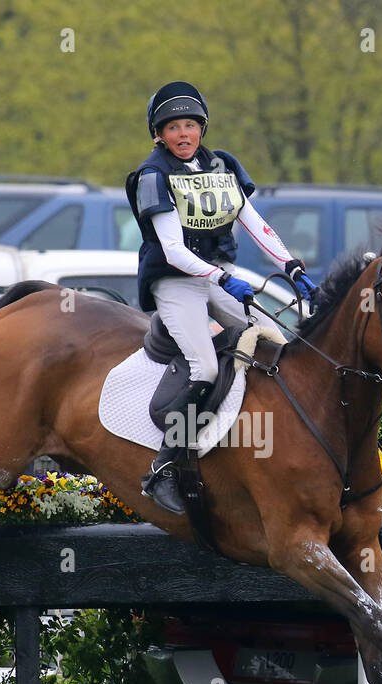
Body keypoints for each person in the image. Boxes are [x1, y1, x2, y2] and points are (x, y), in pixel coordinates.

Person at [126, 81, 314, 515]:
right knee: (206, 366)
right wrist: (222, 278)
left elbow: (255, 222)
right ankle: (164, 468)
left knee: (274, 341)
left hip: (216, 275)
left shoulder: (221, 166)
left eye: (190, 125)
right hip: (175, 280)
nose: (184, 134)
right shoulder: (154, 177)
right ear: (159, 135)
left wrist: (292, 266)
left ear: (202, 129)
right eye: (173, 128)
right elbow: (173, 249)